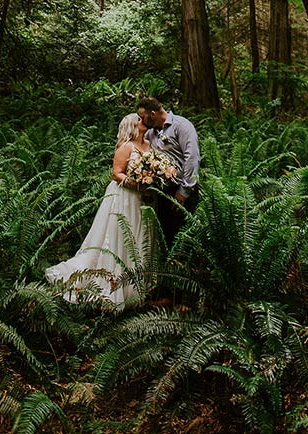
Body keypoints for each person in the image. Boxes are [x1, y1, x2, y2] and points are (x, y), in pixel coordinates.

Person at [45, 113, 150, 308]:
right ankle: (109, 286)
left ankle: (135, 288)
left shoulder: (148, 145)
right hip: (124, 197)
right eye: (140, 120)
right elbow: (116, 173)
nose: (144, 122)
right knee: (119, 236)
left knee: (137, 237)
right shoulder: (125, 147)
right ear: (132, 126)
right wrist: (136, 184)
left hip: (142, 199)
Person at [137, 97, 200, 245]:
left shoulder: (182, 125)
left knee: (183, 235)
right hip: (160, 191)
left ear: (152, 114)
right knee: (166, 234)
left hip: (181, 189)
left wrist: (184, 191)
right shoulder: (149, 133)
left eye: (142, 117)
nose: (141, 121)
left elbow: (192, 158)